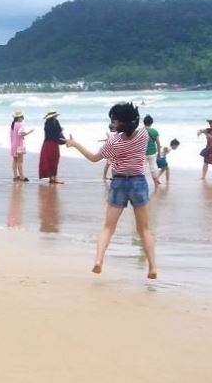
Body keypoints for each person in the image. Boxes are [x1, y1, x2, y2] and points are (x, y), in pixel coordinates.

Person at [65, 102, 157, 279]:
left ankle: (99, 260)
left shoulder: (113, 142)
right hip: (138, 182)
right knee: (144, 229)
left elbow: (93, 158)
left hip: (119, 182)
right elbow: (134, 127)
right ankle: (152, 267)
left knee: (108, 227)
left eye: (114, 120)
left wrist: (74, 143)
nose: (112, 123)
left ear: (119, 122)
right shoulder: (144, 135)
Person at [38, 111, 66, 184]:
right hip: (53, 144)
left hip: (46, 144)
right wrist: (61, 130)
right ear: (54, 116)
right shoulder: (55, 122)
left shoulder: (46, 123)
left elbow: (49, 133)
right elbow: (57, 133)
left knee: (48, 161)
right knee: (54, 161)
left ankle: (51, 178)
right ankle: (55, 178)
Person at [10, 111, 34, 181]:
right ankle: (22, 176)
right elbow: (21, 134)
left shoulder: (13, 125)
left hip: (13, 145)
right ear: (19, 118)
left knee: (15, 160)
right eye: (22, 117)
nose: (23, 118)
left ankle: (15, 176)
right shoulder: (20, 125)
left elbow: (11, 135)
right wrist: (30, 132)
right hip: (20, 145)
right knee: (20, 161)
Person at [143, 114, 161, 185]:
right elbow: (158, 143)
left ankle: (141, 182)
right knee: (153, 168)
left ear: (144, 122)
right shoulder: (154, 131)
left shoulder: (140, 131)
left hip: (143, 153)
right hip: (152, 152)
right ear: (151, 122)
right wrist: (159, 153)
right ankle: (155, 182)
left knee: (142, 168)